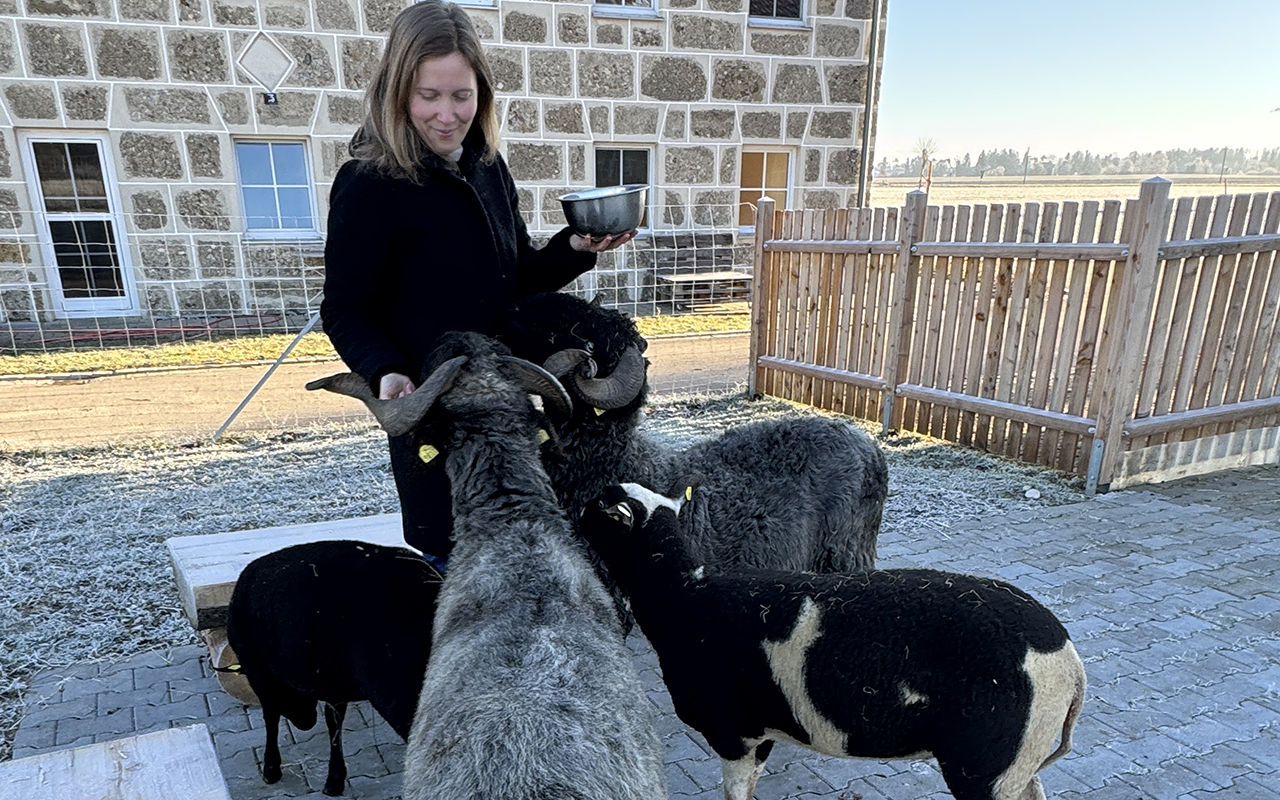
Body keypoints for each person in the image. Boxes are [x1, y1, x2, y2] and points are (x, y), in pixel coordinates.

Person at [320, 0, 633, 569]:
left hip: (508, 403)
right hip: (433, 412)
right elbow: (345, 308)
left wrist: (575, 247)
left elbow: (518, 278)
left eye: (461, 96)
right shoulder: (368, 184)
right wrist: (386, 369)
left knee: (533, 546)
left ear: (481, 94)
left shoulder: (487, 166)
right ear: (397, 93)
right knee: (455, 563)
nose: (447, 114)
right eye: (429, 96)